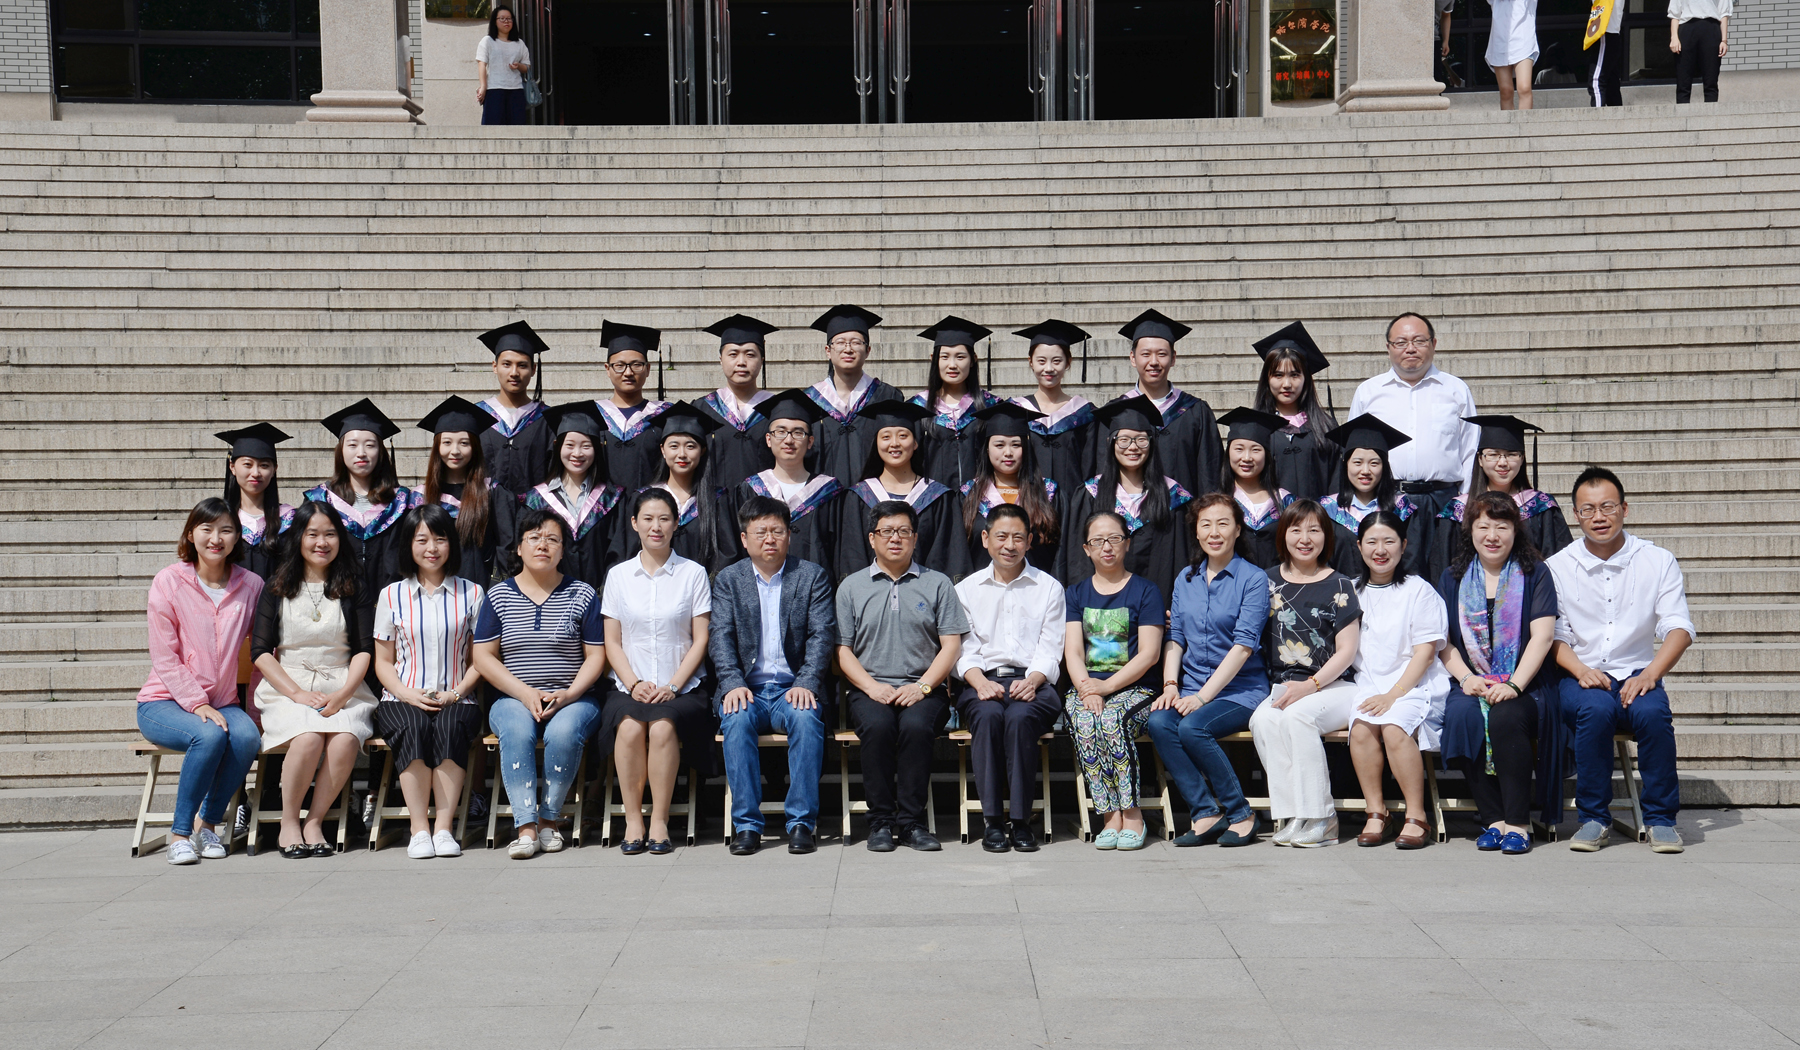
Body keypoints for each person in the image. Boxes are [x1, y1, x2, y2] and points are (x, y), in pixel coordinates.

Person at [1550, 467, 1695, 854]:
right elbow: (1554, 635)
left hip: (1637, 672)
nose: (1598, 517)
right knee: (1595, 710)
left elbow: (1679, 627)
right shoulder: (1558, 566)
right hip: (1580, 674)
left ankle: (1661, 819)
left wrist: (1651, 673)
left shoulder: (1657, 560)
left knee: (1653, 713)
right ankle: (1593, 819)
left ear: (1624, 509)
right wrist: (1580, 670)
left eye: (1608, 507)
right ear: (1576, 515)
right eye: (1588, 509)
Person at [471, 508, 607, 859]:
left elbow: (596, 656)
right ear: (519, 548)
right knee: (517, 731)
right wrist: (524, 693)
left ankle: (549, 820)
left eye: (552, 539)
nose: (542, 545)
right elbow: (483, 656)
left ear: (563, 550)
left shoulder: (582, 594)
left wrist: (570, 694)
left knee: (564, 732)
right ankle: (526, 828)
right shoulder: (498, 596)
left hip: (574, 699)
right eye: (533, 538)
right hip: (513, 699)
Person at [137, 499, 265, 865]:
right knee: (208, 735)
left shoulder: (251, 585)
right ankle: (180, 834)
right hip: (163, 703)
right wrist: (198, 703)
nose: (216, 538)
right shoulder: (169, 581)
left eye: (226, 530)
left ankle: (207, 825)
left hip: (223, 702)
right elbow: (165, 656)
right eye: (207, 529)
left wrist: (255, 711)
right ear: (191, 534)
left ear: (237, 537)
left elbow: (261, 653)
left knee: (246, 737)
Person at [836, 500, 968, 852]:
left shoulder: (937, 583)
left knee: (915, 726)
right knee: (878, 727)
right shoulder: (851, 586)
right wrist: (872, 687)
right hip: (870, 688)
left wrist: (922, 686)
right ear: (872, 538)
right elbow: (842, 651)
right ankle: (880, 823)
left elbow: (951, 645)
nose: (895, 538)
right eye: (887, 531)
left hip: (925, 688)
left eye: (904, 531)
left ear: (915, 537)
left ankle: (911, 824)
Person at [251, 501, 378, 859]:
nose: (322, 542)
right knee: (307, 738)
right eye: (312, 534)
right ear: (299, 538)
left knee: (345, 739)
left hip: (342, 684)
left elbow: (363, 650)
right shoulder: (277, 586)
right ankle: (289, 822)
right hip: (287, 687)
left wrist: (342, 695)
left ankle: (315, 822)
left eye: (330, 534)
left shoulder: (352, 586)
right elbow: (260, 651)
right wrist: (296, 693)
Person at [1437, 492, 1562, 855]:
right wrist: (1466, 678)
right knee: (1462, 715)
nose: (1492, 536)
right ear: (1470, 530)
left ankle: (1518, 823)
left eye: (1502, 527)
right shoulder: (1453, 577)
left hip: (1527, 684)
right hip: (1472, 680)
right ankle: (1494, 819)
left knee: (1506, 715)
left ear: (1515, 531)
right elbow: (1442, 641)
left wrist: (1514, 685)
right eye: (1484, 526)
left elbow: (1543, 637)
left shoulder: (1535, 573)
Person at [711, 495, 837, 856]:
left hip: (791, 687)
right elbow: (720, 636)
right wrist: (732, 683)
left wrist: (806, 682)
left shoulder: (811, 576)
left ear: (789, 535)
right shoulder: (729, 579)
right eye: (761, 532)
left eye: (777, 531)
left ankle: (801, 823)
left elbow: (821, 635)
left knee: (806, 718)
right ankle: (747, 826)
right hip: (747, 688)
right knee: (736, 720)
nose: (770, 539)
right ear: (744, 538)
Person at [1148, 494, 1271, 849]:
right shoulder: (1185, 579)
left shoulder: (1253, 579)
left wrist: (1202, 697)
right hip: (1192, 688)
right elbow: (1176, 637)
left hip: (1240, 690)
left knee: (1193, 727)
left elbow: (1243, 647)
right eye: (1206, 524)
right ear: (1196, 532)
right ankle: (1205, 812)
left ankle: (1241, 814)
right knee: (1159, 722)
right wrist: (1171, 684)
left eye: (1223, 523)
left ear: (1238, 529)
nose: (1214, 532)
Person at [598, 489, 714, 856]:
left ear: (676, 524)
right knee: (630, 728)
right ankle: (634, 819)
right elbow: (612, 641)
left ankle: (660, 820)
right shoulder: (618, 576)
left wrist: (674, 685)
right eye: (647, 519)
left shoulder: (693, 574)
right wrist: (633, 683)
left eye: (664, 518)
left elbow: (700, 638)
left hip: (682, 688)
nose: (656, 526)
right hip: (629, 686)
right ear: (634, 523)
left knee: (663, 726)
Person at [372, 505, 485, 860]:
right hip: (401, 698)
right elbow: (383, 661)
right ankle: (419, 829)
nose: (431, 548)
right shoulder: (391, 595)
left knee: (451, 727)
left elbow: (480, 660)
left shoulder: (472, 593)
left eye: (440, 539)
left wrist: (456, 693)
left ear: (452, 544)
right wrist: (406, 693)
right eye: (422, 540)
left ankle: (444, 829)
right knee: (414, 725)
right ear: (409, 545)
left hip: (458, 698)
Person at [1250, 500, 1363, 848]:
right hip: (1285, 686)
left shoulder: (1340, 585)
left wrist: (1311, 685)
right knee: (1262, 720)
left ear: (1326, 536)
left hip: (1334, 685)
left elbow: (1347, 651)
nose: (1305, 538)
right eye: (1296, 529)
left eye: (1314, 530)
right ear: (1283, 535)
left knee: (1298, 717)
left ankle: (1322, 818)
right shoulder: (1266, 582)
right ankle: (1293, 815)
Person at [954, 504, 1065, 853]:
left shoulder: (1048, 587)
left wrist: (1032, 680)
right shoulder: (967, 589)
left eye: (1018, 537)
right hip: (982, 680)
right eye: (1001, 536)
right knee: (988, 716)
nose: (1009, 545)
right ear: (985, 539)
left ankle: (1020, 821)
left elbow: (1051, 647)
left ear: (1029, 541)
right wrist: (978, 682)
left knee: (1019, 718)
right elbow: (964, 649)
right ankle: (992, 822)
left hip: (1035, 684)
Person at [1063, 511, 1167, 851]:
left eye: (1114, 539)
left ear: (1127, 543)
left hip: (1137, 688)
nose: (1106, 547)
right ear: (1086, 549)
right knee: (1084, 719)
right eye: (1097, 541)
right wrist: (1086, 688)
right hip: (1088, 687)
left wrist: (1106, 687)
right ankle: (1109, 815)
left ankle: (1133, 814)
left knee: (1110, 719)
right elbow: (1073, 652)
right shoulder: (1076, 594)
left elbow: (1149, 654)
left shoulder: (1146, 591)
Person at [1346, 511, 1448, 850]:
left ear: (1403, 546)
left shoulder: (1419, 590)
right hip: (1369, 685)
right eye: (1372, 542)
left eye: (1389, 541)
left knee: (1393, 726)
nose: (1380, 550)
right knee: (1362, 728)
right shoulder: (1350, 591)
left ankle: (1417, 815)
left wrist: (1393, 694)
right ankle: (1377, 812)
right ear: (1359, 546)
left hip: (1413, 686)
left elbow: (1425, 653)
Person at [1348, 312, 1478, 563]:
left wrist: (1465, 502)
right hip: (1388, 500)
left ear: (1434, 344)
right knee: (1392, 573)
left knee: (1444, 569)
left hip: (1444, 501)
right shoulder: (1369, 392)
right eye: (1401, 342)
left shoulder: (1456, 390)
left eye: (1419, 341)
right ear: (1388, 348)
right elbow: (1355, 451)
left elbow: (1471, 450)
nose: (1410, 348)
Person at [1060, 396, 1194, 610]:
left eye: (1141, 439)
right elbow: (1077, 560)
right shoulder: (1090, 494)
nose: (1133, 447)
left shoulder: (1173, 496)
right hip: (1102, 614)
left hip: (1158, 610)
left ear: (1151, 443)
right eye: (1124, 440)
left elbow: (1181, 559)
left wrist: (1176, 609)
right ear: (1111, 443)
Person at [835, 399, 971, 581]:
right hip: (871, 594)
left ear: (915, 443)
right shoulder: (859, 496)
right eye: (886, 437)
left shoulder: (937, 497)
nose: (894, 443)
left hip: (923, 594)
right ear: (876, 443)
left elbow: (946, 556)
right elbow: (853, 555)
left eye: (903, 436)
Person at [1431, 415, 1572, 584]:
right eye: (1493, 454)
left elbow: (1559, 563)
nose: (1503, 462)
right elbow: (1442, 566)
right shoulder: (1457, 510)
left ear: (1522, 459)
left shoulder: (1541, 507)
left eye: (1511, 454)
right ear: (1480, 459)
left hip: (1530, 595)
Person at [304, 398, 418, 607]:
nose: (361, 453)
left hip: (392, 605)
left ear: (380, 451)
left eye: (370, 445)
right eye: (352, 445)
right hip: (335, 604)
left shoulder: (402, 503)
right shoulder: (321, 500)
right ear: (341, 450)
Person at [1103, 309, 1220, 500]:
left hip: (1183, 513)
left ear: (1173, 358)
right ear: (1133, 358)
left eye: (1162, 354)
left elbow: (1210, 472)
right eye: (1145, 354)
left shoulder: (1195, 411)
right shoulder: (1116, 411)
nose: (1154, 362)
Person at [727, 389, 844, 574]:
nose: (789, 440)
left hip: (816, 586)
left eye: (798, 433)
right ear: (768, 439)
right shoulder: (750, 489)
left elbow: (839, 551)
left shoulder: (829, 492)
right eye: (780, 432)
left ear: (810, 442)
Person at [522, 401, 623, 592]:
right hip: (548, 597)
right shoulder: (534, 500)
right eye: (569, 445)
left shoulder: (612, 498)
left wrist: (604, 595)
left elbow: (618, 553)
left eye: (586, 446)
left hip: (600, 598)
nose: (577, 453)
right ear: (557, 446)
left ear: (597, 449)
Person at [417, 395, 518, 585]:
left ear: (475, 447)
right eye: (447, 442)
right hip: (431, 593)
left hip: (481, 592)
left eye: (464, 443)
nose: (455, 451)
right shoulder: (420, 498)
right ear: (437, 447)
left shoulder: (493, 493)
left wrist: (496, 593)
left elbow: (506, 549)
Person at [618, 402, 728, 573]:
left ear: (702, 450)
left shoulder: (718, 499)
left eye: (690, 446)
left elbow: (726, 556)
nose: (682, 454)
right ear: (663, 450)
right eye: (674, 446)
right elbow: (628, 552)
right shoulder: (643, 498)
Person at [806, 304, 905, 487]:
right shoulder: (810, 401)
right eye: (840, 342)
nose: (848, 349)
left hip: (875, 496)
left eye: (856, 342)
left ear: (868, 351)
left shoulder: (887, 396)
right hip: (823, 497)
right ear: (828, 351)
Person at [959, 401, 1061, 573]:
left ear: (1026, 448)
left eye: (1016, 445)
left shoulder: (1047, 493)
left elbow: (1061, 553)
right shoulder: (969, 495)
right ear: (987, 449)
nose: (1008, 453)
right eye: (999, 445)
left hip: (1035, 586)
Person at [1318, 413, 1422, 577]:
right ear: (1346, 465)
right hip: (1340, 590)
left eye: (1374, 463)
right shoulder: (1327, 510)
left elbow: (1412, 563)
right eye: (1357, 462)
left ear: (1384, 467)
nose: (1365, 471)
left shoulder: (1402, 509)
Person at [909, 315, 1003, 492]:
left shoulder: (991, 406)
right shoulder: (917, 408)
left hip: (981, 499)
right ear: (934, 359)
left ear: (973, 359)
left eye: (960, 357)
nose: (952, 365)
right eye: (944, 357)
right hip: (933, 500)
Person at [1251, 322, 1339, 501]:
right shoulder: (1255, 428)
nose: (1287, 384)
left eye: (1295, 375)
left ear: (1306, 378)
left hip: (1318, 517)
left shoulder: (1325, 427)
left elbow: (1336, 485)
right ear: (1267, 379)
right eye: (1278, 375)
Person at [1011, 319, 1095, 500]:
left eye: (1057, 361)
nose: (1048, 368)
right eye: (1041, 361)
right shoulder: (1015, 411)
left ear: (1068, 362)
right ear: (1030, 362)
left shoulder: (1084, 413)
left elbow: (1090, 468)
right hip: (1025, 505)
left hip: (1072, 505)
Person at [696, 314, 779, 493]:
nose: (741, 362)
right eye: (733, 354)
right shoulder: (702, 409)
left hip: (766, 504)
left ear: (762, 360)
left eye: (750, 355)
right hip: (715, 504)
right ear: (721, 359)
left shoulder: (777, 409)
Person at [593, 319, 672, 496]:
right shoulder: (594, 416)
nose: (628, 372)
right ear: (607, 369)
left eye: (637, 365)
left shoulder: (664, 415)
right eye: (619, 365)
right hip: (602, 508)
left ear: (648, 369)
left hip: (651, 507)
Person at [476, 320, 552, 497]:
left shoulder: (547, 419)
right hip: (485, 509)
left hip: (533, 511)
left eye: (522, 365)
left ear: (533, 369)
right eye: (506, 364)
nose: (514, 373)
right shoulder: (478, 416)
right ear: (495, 367)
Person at [1215, 407, 1295, 570]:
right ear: (1228, 453)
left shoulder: (1286, 501)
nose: (1246, 458)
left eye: (1256, 450)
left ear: (1267, 455)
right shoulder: (1216, 502)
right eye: (1239, 449)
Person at [215, 423, 294, 581]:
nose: (256, 472)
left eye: (264, 465)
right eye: (247, 464)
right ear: (232, 467)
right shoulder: (219, 518)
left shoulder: (290, 520)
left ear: (274, 469)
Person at [475, 4, 531, 124]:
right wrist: (483, 87)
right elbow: (482, 64)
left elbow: (527, 67)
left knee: (517, 126)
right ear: (495, 22)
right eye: (502, 18)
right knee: (493, 126)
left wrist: (518, 66)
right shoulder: (487, 41)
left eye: (509, 18)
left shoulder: (519, 43)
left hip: (516, 89)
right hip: (494, 89)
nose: (506, 21)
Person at [1670, 0, 1730, 104]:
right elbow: (1675, 14)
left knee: (1711, 78)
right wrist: (1674, 37)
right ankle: (1682, 112)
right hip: (1687, 28)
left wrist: (1724, 40)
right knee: (1683, 79)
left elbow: (1723, 13)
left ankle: (1711, 111)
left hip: (1711, 28)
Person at [1486, 0, 1537, 110]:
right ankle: (1508, 122)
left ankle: (1525, 121)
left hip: (1524, 41)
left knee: (1524, 88)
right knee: (1506, 91)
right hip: (1500, 41)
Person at [1588, 0, 1625, 107]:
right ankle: (1617, 116)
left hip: (1605, 31)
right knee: (1611, 83)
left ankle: (1598, 116)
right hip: (1612, 32)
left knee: (1596, 81)